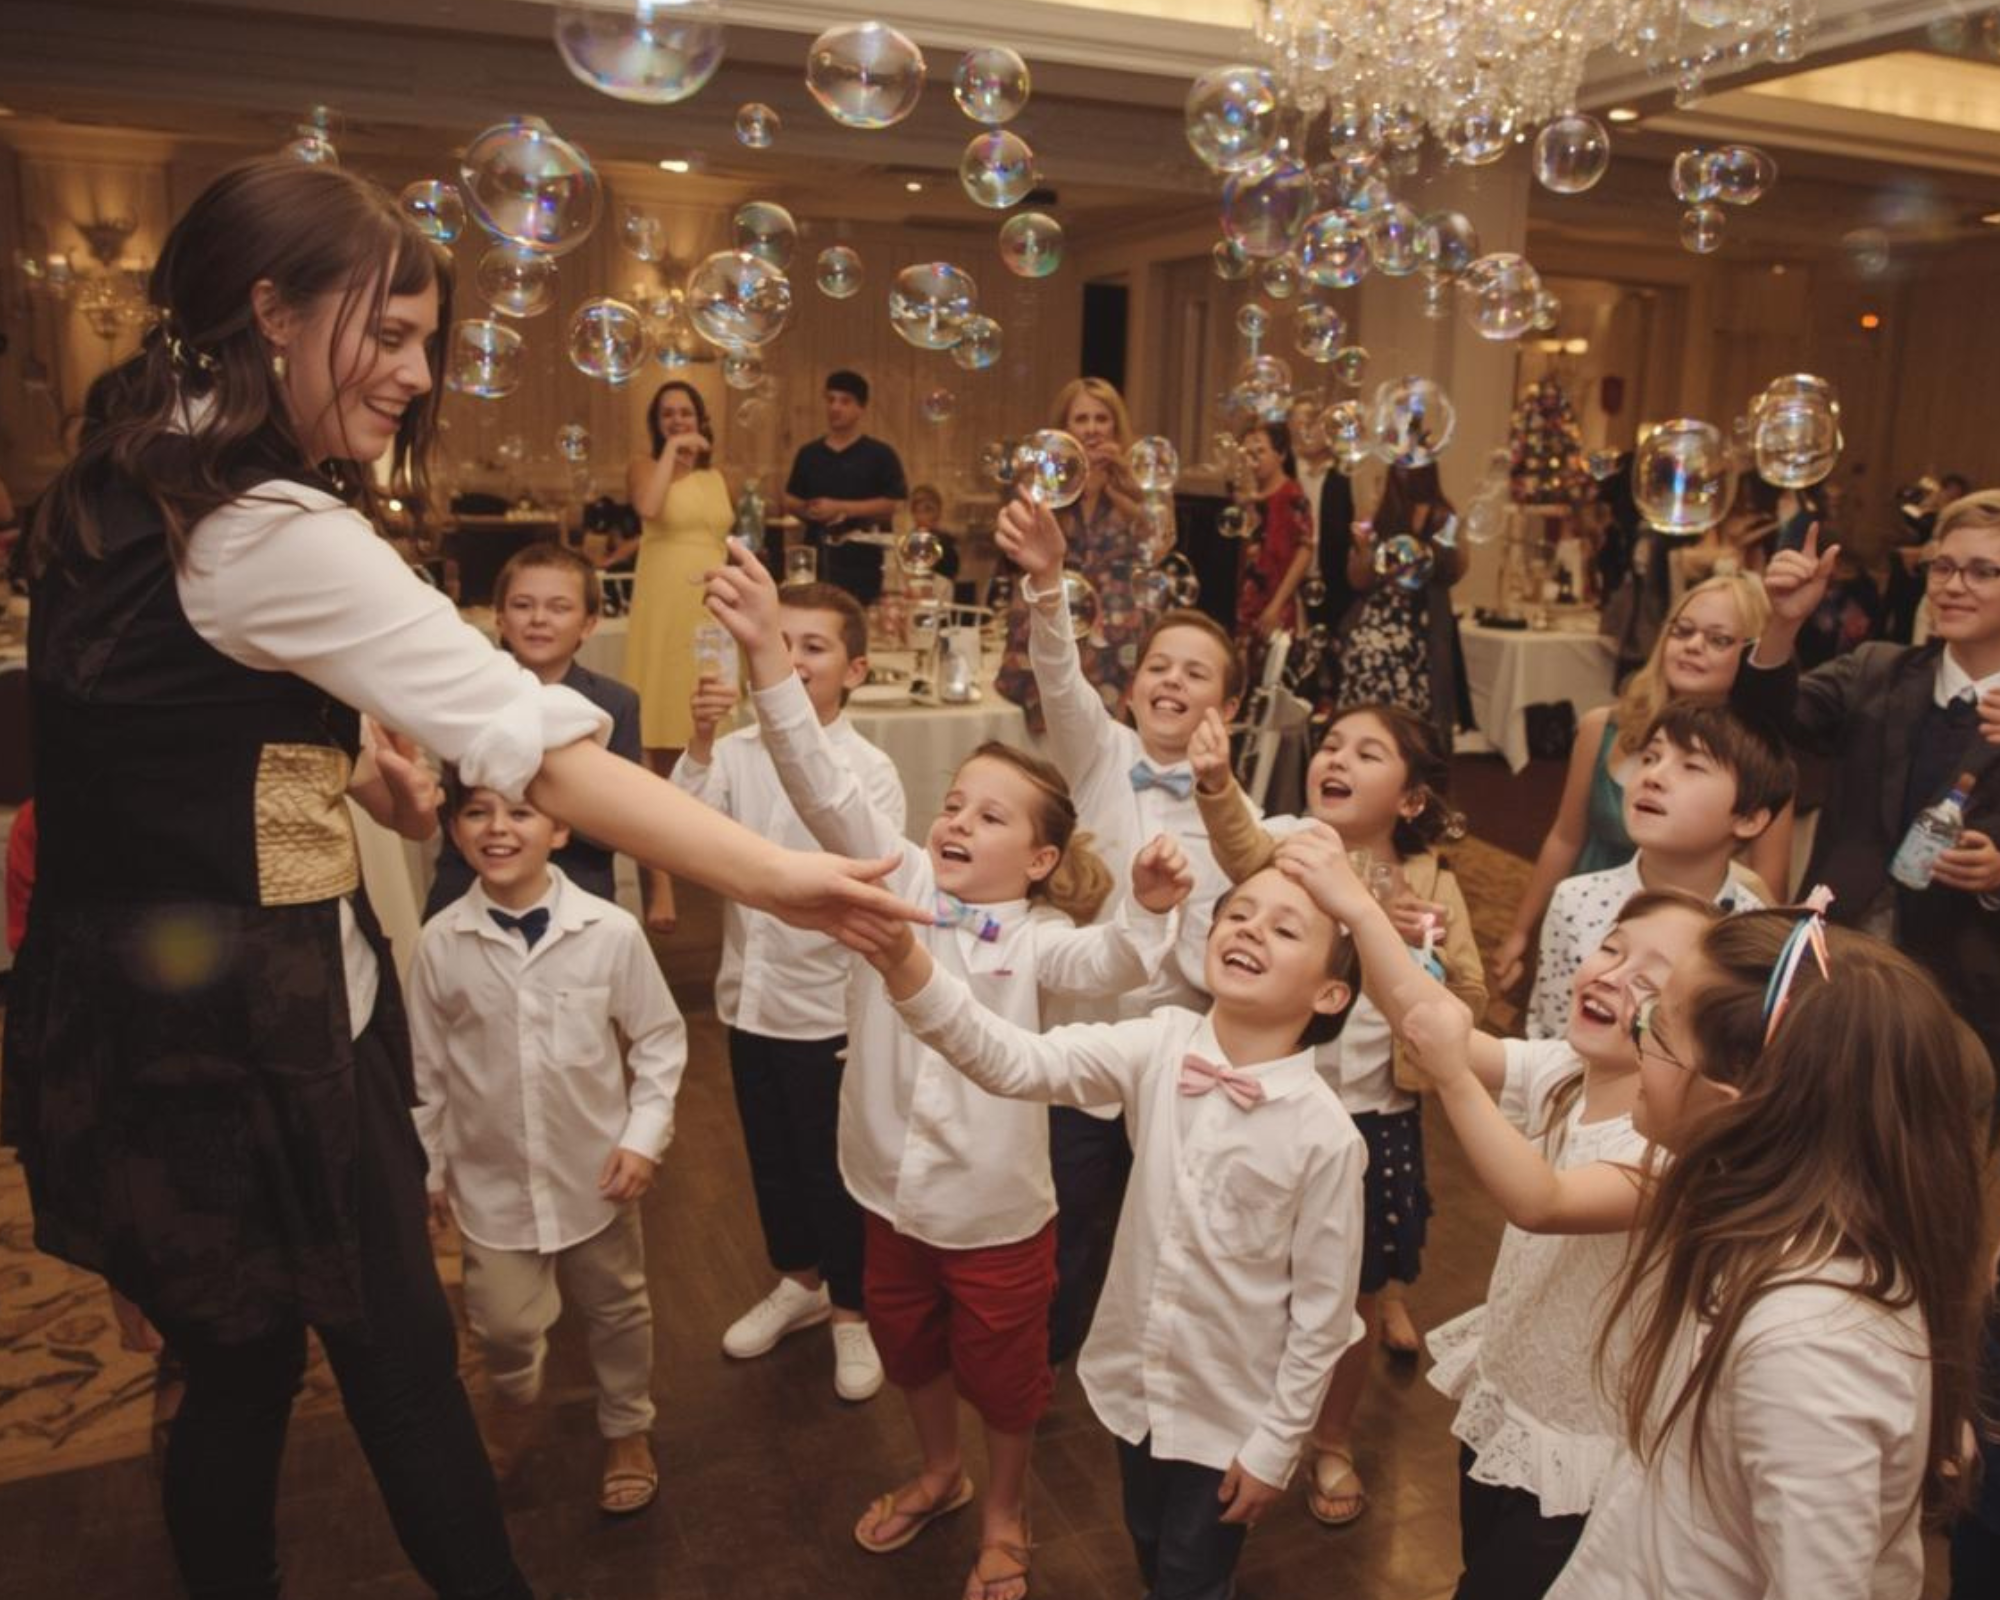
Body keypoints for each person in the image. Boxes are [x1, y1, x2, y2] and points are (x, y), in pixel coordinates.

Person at [0, 158, 914, 1600]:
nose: (420, 377)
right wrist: (784, 878)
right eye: (391, 334)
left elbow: (163, 734)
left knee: (230, 1369)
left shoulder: (119, 478)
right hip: (261, 1028)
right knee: (402, 1367)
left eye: (431, 340)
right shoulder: (268, 528)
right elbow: (542, 746)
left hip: (122, 1012)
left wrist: (323, 770)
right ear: (272, 312)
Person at [704, 538, 1184, 1600]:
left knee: (1006, 1381)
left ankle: (1006, 1511)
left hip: (993, 1214)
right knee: (910, 1348)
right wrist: (768, 660)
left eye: (990, 815)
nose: (959, 820)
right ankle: (938, 1473)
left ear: (1042, 860)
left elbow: (1110, 963)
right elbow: (820, 783)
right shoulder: (903, 883)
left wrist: (1146, 912)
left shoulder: (1041, 940)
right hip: (882, 1187)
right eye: (955, 802)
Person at [846, 854, 1365, 1600]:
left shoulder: (1326, 1137)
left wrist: (1278, 1443)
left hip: (1231, 1413)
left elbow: (1323, 1313)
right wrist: (906, 963)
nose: (1250, 930)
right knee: (1148, 1543)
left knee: (1192, 1576)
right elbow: (1014, 1062)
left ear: (1329, 993)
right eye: (1238, 913)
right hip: (1136, 1387)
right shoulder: (1160, 1043)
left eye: (1285, 930)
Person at [1533, 908, 1988, 1597]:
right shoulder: (1747, 1217)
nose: (1636, 1029)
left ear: (1726, 1107)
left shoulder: (1810, 1345)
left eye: (1657, 1027)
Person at [1320, 843, 1720, 1598]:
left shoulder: (1672, 1152)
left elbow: (1542, 1202)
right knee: (1480, 1567)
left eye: (1652, 982)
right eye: (1612, 948)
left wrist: (1449, 1073)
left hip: (1581, 1447)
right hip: (1510, 1397)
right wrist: (1357, 910)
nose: (1612, 976)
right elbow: (1420, 1012)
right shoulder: (1566, 1071)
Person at [1189, 702, 1487, 1527]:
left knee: (1348, 1295)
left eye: (1367, 753)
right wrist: (1215, 784)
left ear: (1411, 799)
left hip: (1372, 1118)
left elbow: (1469, 1000)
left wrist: (1419, 950)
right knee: (1256, 1272)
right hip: (1277, 1107)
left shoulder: (1434, 887)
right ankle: (1242, 1413)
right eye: (1329, 745)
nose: (1337, 760)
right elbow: (1240, 847)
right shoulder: (1297, 850)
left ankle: (1330, 1438)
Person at [995, 495, 1246, 1367]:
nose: (1171, 681)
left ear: (1228, 708)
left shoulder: (1241, 818)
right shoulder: (1098, 755)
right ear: (1132, 688)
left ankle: (1146, 1352)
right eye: (1157, 667)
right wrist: (1047, 583)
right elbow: (1060, 679)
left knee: (1160, 1219)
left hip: (1176, 1055)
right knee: (1066, 1210)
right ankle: (1047, 1352)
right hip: (1080, 1040)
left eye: (1195, 674)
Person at [410, 777, 685, 1516]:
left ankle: (627, 1426)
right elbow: (424, 1068)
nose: (497, 828)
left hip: (593, 1173)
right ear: (455, 831)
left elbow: (660, 1039)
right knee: (501, 1325)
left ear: (560, 831)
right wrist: (429, 1166)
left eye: (521, 812)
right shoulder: (440, 943)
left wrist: (642, 1138)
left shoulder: (609, 932)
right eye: (477, 813)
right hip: (491, 1179)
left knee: (617, 1307)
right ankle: (513, 1396)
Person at [672, 581, 905, 1401]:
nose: (795, 660)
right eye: (781, 643)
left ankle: (852, 1310)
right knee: (771, 1158)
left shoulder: (867, 771)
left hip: (825, 1010)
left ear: (856, 670)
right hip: (750, 999)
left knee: (832, 1168)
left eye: (815, 647)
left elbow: (871, 879)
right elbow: (686, 835)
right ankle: (800, 1282)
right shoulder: (738, 754)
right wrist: (702, 740)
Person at [1734, 508, 2000, 1083]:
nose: (1954, 585)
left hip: (1970, 988)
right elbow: (1764, 725)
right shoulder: (1877, 669)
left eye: (1983, 571)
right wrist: (1782, 625)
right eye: (1943, 567)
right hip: (1839, 959)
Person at [1491, 574, 1792, 991]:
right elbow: (1565, 837)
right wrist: (1521, 929)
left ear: (1753, 654)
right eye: (1682, 631)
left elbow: (1768, 887)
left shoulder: (1759, 764)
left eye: (1718, 640)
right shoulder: (1602, 727)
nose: (1693, 645)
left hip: (1688, 947)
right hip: (1588, 926)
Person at [424, 541, 670, 929]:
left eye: (559, 607)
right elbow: (453, 807)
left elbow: (622, 822)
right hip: (472, 880)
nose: (538, 619)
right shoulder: (470, 695)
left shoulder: (615, 704)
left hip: (578, 881)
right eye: (522, 605)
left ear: (588, 624)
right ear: (499, 617)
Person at [1524, 703, 1788, 1038]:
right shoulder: (1576, 900)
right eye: (1650, 758)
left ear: (1748, 819)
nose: (1652, 777)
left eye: (1692, 766)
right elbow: (1551, 1030)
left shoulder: (1754, 934)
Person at [621, 379, 734, 930]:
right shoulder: (644, 466)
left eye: (685, 412)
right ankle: (659, 880)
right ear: (657, 423)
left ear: (701, 417)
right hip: (664, 604)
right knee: (656, 737)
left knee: (709, 725)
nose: (677, 420)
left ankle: (713, 855)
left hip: (709, 603)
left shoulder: (719, 475)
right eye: (667, 414)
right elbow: (648, 506)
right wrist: (671, 451)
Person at [995, 377, 1148, 733]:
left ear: (1115, 425)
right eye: (1081, 419)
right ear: (1064, 428)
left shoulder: (1137, 476)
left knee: (1110, 738)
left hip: (1116, 628)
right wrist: (1068, 478)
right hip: (1054, 615)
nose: (1092, 429)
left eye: (1101, 418)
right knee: (1051, 735)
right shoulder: (1043, 479)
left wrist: (1119, 478)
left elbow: (1157, 540)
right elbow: (1019, 540)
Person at [1340, 462, 1467, 751]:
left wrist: (1445, 543)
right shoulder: (1380, 514)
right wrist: (1363, 548)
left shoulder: (1443, 515)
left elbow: (1453, 573)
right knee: (1366, 667)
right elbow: (1358, 580)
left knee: (1410, 722)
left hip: (1422, 625)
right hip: (1378, 621)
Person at [782, 370, 906, 604]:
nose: (835, 407)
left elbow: (894, 503)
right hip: (818, 558)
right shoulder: (809, 454)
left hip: (863, 563)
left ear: (861, 408)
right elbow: (790, 500)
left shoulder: (880, 454)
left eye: (845, 401)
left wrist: (840, 508)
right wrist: (810, 509)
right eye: (830, 400)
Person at [1232, 420, 1315, 658]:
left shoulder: (1292, 494)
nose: (1253, 459)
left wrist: (1276, 605)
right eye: (1248, 453)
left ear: (1281, 455)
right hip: (1247, 600)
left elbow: (1305, 550)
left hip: (1276, 602)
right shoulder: (1249, 499)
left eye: (1261, 451)